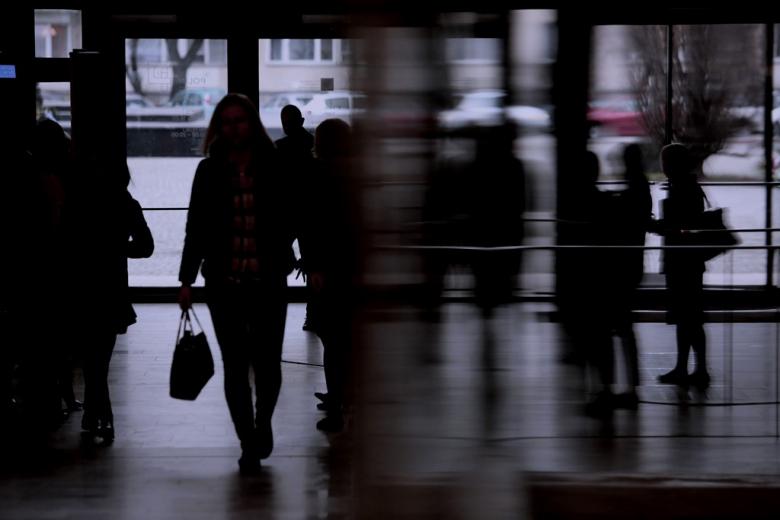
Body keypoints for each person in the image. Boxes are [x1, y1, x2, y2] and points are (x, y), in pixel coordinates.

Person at [178, 93, 297, 472]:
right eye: (226, 121)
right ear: (219, 127)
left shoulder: (275, 165)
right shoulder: (209, 171)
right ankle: (249, 436)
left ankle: (261, 424)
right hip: (225, 282)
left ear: (251, 124)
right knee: (235, 363)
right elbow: (195, 226)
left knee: (267, 363)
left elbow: (296, 214)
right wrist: (185, 278)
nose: (233, 127)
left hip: (267, 279)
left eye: (239, 120)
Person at [65, 156, 153, 445]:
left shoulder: (80, 203)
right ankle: (100, 414)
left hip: (83, 286)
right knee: (100, 357)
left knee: (92, 360)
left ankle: (97, 413)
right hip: (112, 288)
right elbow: (146, 247)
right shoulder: (127, 204)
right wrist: (119, 247)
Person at [304, 119, 359, 433]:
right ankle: (348, 398)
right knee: (347, 339)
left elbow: (310, 224)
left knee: (332, 340)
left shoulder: (316, 172)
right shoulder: (357, 173)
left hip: (326, 268)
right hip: (351, 265)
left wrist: (311, 265)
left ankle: (337, 399)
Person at [652, 143, 709, 389]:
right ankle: (691, 367)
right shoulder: (689, 188)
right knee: (690, 317)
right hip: (689, 261)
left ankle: (691, 368)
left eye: (665, 161)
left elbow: (677, 226)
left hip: (681, 261)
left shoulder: (682, 190)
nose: (662, 166)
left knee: (687, 317)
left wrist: (654, 225)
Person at [602, 144, 652, 409]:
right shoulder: (641, 187)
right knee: (624, 326)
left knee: (619, 326)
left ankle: (623, 387)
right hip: (632, 262)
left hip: (623, 264)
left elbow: (625, 215)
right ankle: (631, 386)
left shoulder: (634, 187)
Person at [274, 105, 317, 332]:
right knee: (312, 264)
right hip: (309, 214)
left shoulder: (279, 149)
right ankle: (312, 315)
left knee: (277, 261)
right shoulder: (312, 147)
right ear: (301, 120)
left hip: (286, 214)